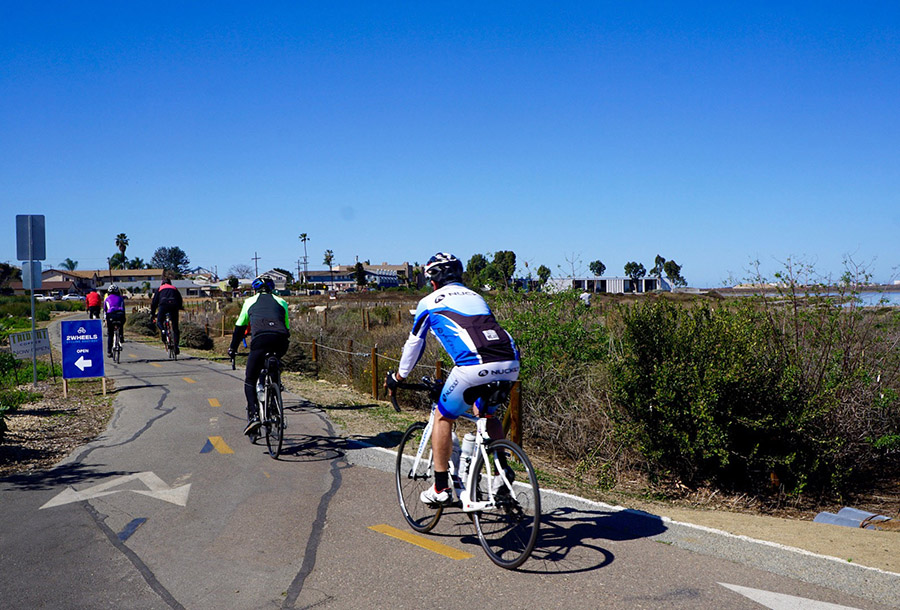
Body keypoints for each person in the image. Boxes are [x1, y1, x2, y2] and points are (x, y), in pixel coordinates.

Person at [385, 252, 520, 505]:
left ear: (433, 280)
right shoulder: (476, 296)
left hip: (472, 366)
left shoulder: (429, 301)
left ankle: (439, 488)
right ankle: (502, 470)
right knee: (486, 412)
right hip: (510, 362)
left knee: (443, 416)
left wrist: (398, 377)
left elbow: (415, 344)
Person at [227, 276, 290, 436]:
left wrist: (232, 348)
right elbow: (287, 328)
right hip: (280, 340)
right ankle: (275, 402)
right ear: (272, 289)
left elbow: (239, 328)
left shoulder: (249, 302)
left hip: (260, 339)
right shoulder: (282, 302)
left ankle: (254, 415)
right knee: (274, 364)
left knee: (249, 379)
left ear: (255, 290)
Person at [150, 276, 183, 353]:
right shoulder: (174, 288)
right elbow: (180, 299)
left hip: (163, 305)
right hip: (174, 305)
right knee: (175, 327)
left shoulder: (160, 288)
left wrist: (152, 313)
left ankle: (163, 330)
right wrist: (179, 307)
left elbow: (154, 302)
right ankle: (176, 345)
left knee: (159, 321)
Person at [103, 285, 127, 357]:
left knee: (110, 333)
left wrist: (105, 320)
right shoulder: (121, 298)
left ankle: (109, 351)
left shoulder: (107, 299)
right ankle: (121, 336)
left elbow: (105, 310)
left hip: (111, 316)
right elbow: (123, 309)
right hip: (120, 315)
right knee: (121, 324)